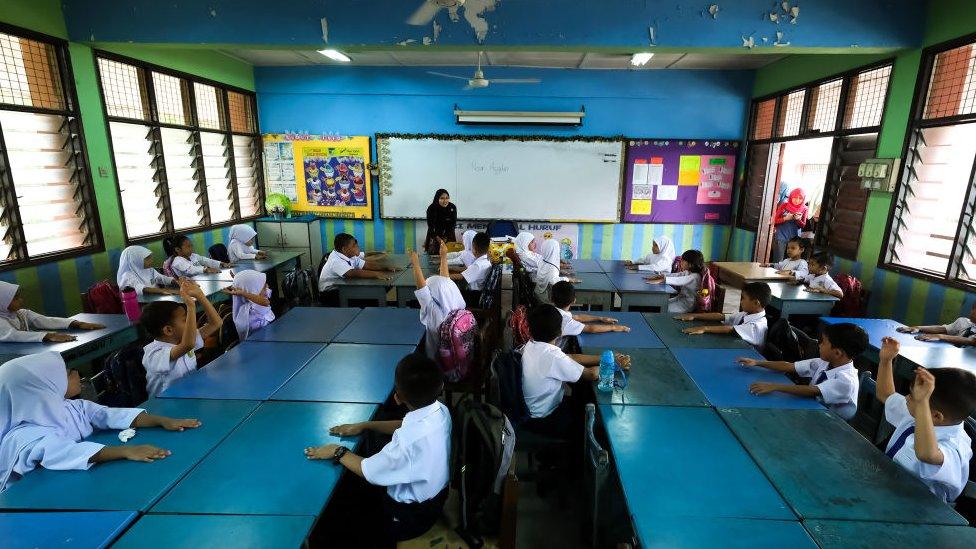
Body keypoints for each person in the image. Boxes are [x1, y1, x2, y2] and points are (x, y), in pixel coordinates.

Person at [0, 351, 201, 493]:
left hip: (71, 488)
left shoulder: (69, 407)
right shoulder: (22, 435)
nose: (77, 374)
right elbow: (63, 451)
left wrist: (162, 420)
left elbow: (108, 415)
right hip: (30, 504)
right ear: (44, 389)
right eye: (68, 373)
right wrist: (126, 451)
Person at [305, 353, 451, 545]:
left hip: (410, 517)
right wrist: (366, 425)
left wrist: (337, 450)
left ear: (397, 396)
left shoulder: (408, 442)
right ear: (439, 386)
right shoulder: (441, 411)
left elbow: (368, 471)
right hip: (436, 498)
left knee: (331, 524)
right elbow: (404, 424)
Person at [876, 337, 976, 503]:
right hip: (886, 487)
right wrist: (886, 360)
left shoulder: (956, 445)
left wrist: (921, 401)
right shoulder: (918, 412)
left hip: (919, 512)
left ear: (936, 416)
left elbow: (926, 454)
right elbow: (885, 395)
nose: (906, 398)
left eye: (913, 397)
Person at [520, 305, 629, 440]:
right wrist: (614, 364)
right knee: (593, 421)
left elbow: (569, 357)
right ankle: (573, 454)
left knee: (581, 396)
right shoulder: (552, 357)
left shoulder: (531, 345)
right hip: (543, 419)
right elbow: (591, 374)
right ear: (560, 331)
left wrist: (602, 357)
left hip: (528, 410)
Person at [736, 322, 867, 419]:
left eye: (824, 343)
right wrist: (758, 362)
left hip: (831, 424)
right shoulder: (824, 362)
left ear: (837, 353)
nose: (819, 345)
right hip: (812, 411)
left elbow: (812, 391)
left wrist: (774, 386)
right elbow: (789, 366)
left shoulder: (846, 380)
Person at [141, 281, 222, 397]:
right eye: (185, 320)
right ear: (168, 330)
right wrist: (190, 306)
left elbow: (216, 323)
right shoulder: (154, 354)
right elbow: (187, 345)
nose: (191, 323)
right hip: (166, 405)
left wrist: (200, 296)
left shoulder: (183, 339)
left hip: (190, 393)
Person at [675, 281, 770, 350]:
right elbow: (721, 316)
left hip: (749, 357)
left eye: (743, 298)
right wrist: (695, 316)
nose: (741, 301)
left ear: (756, 303)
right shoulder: (746, 314)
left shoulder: (758, 325)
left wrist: (704, 328)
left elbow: (730, 329)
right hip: (736, 348)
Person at [410, 246, 466, 360]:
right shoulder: (457, 304)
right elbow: (445, 281)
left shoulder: (434, 311)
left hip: (438, 363)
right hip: (461, 358)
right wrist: (443, 256)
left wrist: (415, 263)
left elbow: (422, 289)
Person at [0, 281, 103, 343]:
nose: (21, 300)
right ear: (2, 301)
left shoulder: (20, 313)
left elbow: (44, 320)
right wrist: (49, 336)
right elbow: (13, 335)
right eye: (15, 298)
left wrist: (76, 323)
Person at [318, 233, 397, 294]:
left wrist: (385, 267)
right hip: (330, 293)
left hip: (343, 287)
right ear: (344, 249)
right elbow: (352, 273)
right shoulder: (335, 260)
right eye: (354, 246)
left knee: (382, 288)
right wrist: (377, 274)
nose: (357, 247)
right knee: (375, 291)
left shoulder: (349, 255)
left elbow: (365, 264)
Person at [549, 281, 630, 339]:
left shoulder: (550, 310)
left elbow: (578, 317)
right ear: (574, 300)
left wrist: (600, 318)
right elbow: (591, 328)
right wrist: (614, 327)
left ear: (551, 299)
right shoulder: (566, 321)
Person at [224, 270, 275, 341]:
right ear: (253, 291)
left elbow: (252, 289)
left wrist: (240, 283)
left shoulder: (255, 300)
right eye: (263, 287)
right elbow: (266, 302)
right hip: (260, 344)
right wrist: (243, 293)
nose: (267, 287)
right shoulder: (251, 309)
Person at [897, 302, 976, 347]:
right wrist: (918, 327)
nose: (972, 312)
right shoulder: (963, 322)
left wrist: (940, 336)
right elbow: (943, 329)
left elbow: (971, 341)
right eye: (973, 308)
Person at [531, 239, 579, 304]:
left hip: (538, 293)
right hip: (546, 298)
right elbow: (553, 280)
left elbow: (548, 272)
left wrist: (560, 271)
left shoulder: (542, 260)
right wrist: (567, 279)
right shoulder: (551, 266)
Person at [164, 234, 231, 279]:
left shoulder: (192, 256)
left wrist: (221, 264)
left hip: (202, 280)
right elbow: (190, 270)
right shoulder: (177, 261)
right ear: (178, 249)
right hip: (190, 286)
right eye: (188, 247)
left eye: (191, 246)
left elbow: (205, 260)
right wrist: (206, 269)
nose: (191, 249)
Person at [771, 187, 808, 262]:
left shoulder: (804, 209)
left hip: (795, 239)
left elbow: (803, 225)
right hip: (781, 237)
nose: (797, 200)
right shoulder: (784, 205)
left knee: (791, 261)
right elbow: (774, 220)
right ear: (791, 196)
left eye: (800, 198)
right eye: (795, 197)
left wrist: (798, 220)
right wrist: (785, 219)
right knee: (778, 260)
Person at [423, 189, 457, 254]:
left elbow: (453, 224)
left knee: (450, 257)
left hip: (449, 236)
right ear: (437, 198)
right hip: (435, 237)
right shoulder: (432, 208)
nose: (445, 201)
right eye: (442, 198)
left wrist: (445, 237)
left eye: (447, 198)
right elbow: (431, 227)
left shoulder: (452, 207)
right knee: (434, 258)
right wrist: (439, 240)